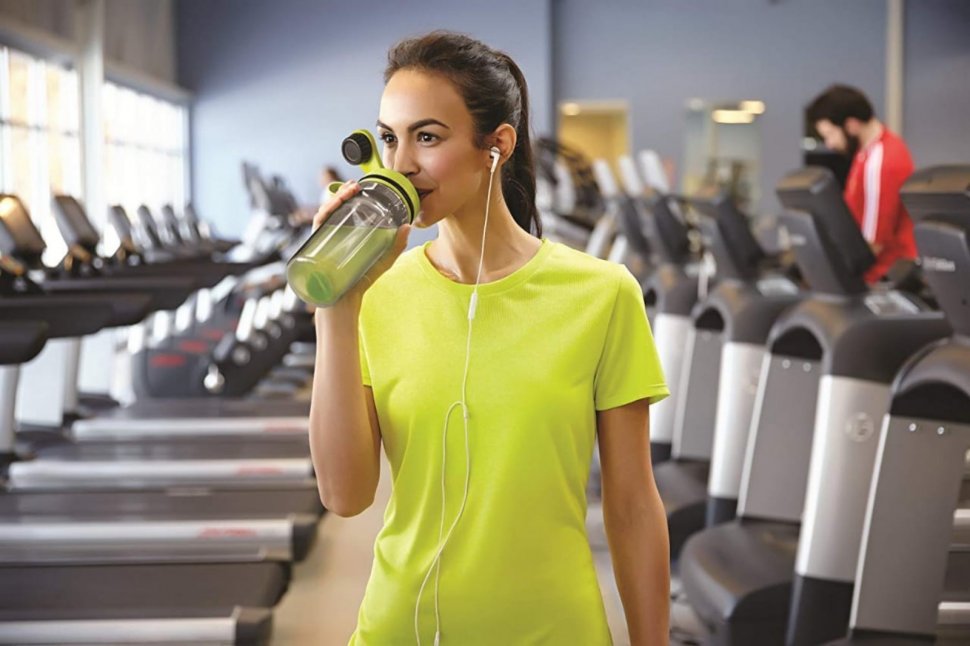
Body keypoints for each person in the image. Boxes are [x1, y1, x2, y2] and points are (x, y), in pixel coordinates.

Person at [309, 31, 670, 645]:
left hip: (555, 629)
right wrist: (336, 308)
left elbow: (633, 507)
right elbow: (345, 495)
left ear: (496, 146)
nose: (401, 165)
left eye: (428, 137)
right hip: (402, 628)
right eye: (390, 138)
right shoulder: (377, 294)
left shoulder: (602, 294)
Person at [806, 84, 917, 282]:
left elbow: (872, 243)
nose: (830, 144)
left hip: (882, 278)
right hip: (873, 273)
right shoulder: (866, 154)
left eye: (830, 135)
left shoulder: (881, 160)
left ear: (852, 125)